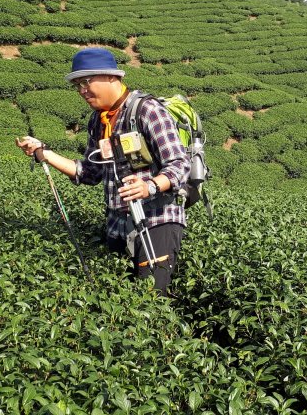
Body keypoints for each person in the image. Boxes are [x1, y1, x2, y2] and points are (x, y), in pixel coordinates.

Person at [16, 47, 190, 295]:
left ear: (112, 77)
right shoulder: (98, 120)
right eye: (77, 85)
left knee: (151, 299)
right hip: (117, 225)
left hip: (156, 220)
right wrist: (43, 152)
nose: (82, 91)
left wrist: (149, 186)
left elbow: (179, 164)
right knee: (118, 299)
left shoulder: (147, 110)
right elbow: (89, 173)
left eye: (87, 82)